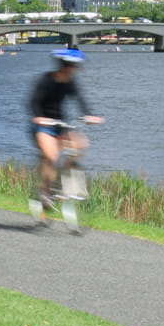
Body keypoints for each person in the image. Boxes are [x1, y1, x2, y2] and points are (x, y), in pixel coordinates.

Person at [28, 47, 101, 221]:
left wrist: (88, 115)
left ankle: (63, 184)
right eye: (74, 67)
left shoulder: (70, 83)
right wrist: (39, 118)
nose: (76, 70)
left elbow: (80, 99)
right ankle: (44, 191)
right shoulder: (46, 81)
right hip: (44, 126)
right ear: (65, 66)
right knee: (51, 155)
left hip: (61, 124)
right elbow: (33, 102)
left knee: (81, 145)